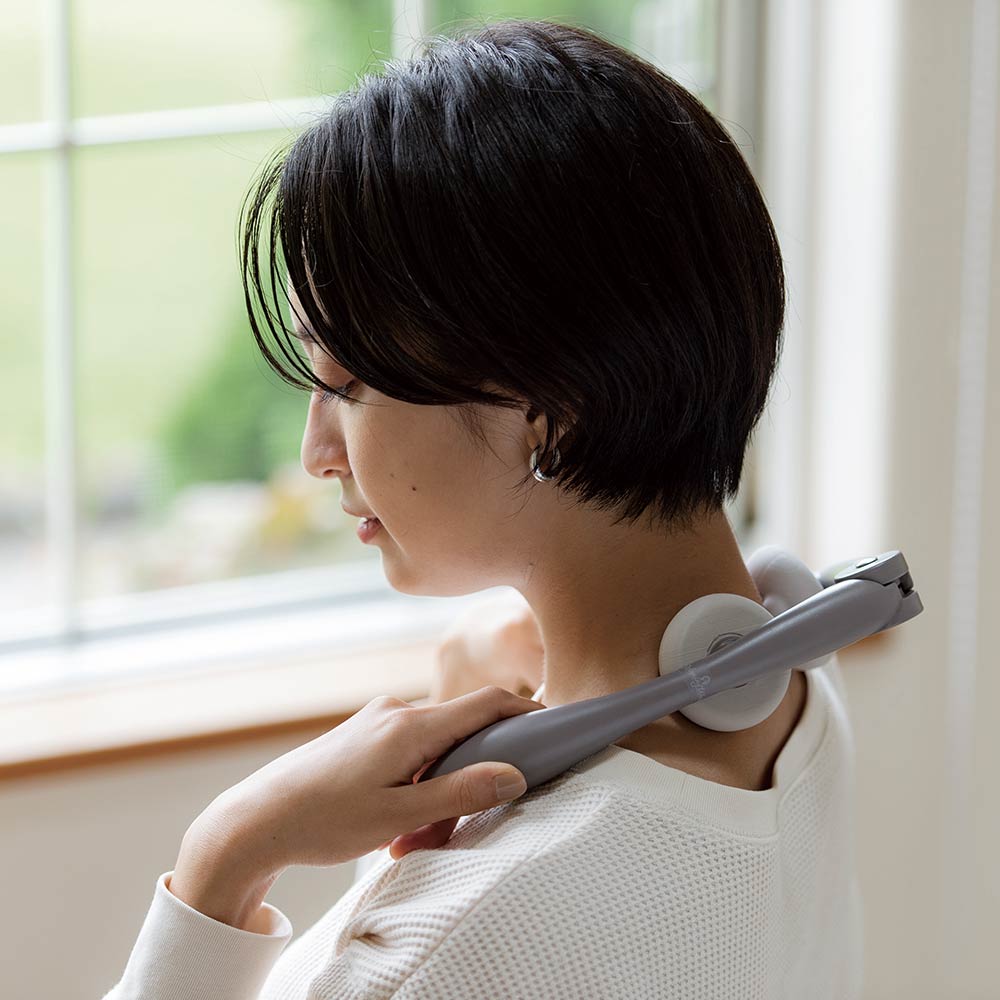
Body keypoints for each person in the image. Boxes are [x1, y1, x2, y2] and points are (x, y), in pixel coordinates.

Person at [101, 17, 862, 999]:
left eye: (345, 384)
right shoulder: (793, 698)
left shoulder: (458, 939)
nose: (315, 454)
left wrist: (226, 856)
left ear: (549, 412)